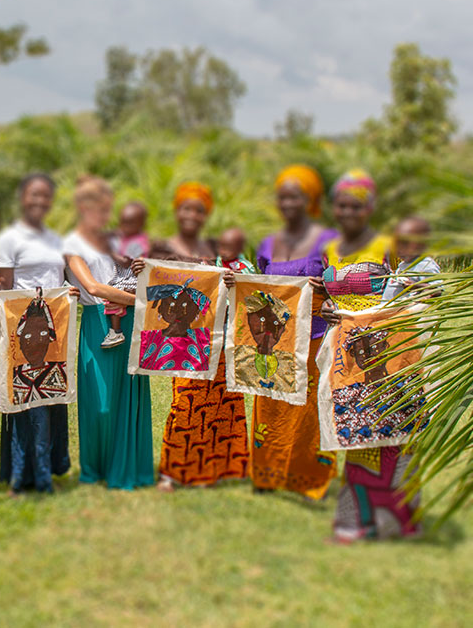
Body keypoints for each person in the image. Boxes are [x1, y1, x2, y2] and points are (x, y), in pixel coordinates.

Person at [320, 170, 421, 542]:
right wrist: (332, 308)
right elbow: (334, 293)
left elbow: (408, 294)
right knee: (357, 432)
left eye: (356, 206)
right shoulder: (330, 248)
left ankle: (401, 520)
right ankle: (356, 521)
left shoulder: (386, 245)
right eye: (342, 205)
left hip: (385, 352)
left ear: (370, 207)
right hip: (346, 352)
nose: (348, 212)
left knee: (393, 433)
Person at [146, 182, 248, 491]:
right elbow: (153, 287)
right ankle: (175, 469)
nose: (192, 215)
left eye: (199, 210)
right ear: (177, 211)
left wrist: (234, 279)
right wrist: (143, 268)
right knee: (186, 401)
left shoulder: (214, 248)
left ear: (206, 215)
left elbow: (242, 280)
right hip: (183, 338)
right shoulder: (163, 246)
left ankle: (214, 468)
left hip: (219, 335)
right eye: (186, 208)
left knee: (220, 402)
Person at [251, 165, 338, 499]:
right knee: (271, 403)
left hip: (314, 334)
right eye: (283, 197)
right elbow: (258, 287)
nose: (288, 203)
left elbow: (343, 282)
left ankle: (306, 477)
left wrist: (328, 290)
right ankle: (267, 473)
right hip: (273, 341)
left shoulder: (327, 240)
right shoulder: (267, 244)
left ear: (311, 199)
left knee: (308, 408)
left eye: (296, 197)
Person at [62, 176, 153, 489]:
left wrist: (143, 276)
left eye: (106, 209)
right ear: (82, 208)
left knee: (125, 400)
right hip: (97, 322)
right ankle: (95, 466)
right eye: (97, 209)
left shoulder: (116, 240)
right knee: (99, 404)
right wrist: (143, 303)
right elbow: (92, 287)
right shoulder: (71, 245)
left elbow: (138, 269)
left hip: (127, 322)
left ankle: (127, 467)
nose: (103, 215)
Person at [0, 173, 73, 494]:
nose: (39, 201)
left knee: (51, 399)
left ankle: (47, 469)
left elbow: (62, 279)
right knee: (26, 403)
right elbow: (5, 286)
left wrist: (70, 293)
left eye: (45, 196)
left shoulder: (58, 240)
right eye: (32, 195)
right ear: (22, 197)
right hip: (23, 332)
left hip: (55, 331)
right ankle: (23, 478)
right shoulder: (9, 239)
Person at [102, 202, 149, 347]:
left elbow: (125, 262)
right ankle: (116, 331)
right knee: (115, 300)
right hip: (125, 279)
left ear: (140, 224)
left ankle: (116, 331)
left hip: (130, 279)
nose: (124, 227)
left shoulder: (138, 242)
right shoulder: (127, 238)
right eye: (122, 223)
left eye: (129, 223)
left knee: (113, 298)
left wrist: (110, 251)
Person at [381, 216, 441, 302]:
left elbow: (437, 290)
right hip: (388, 310)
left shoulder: (425, 264)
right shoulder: (404, 264)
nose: (399, 249)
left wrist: (416, 286)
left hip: (404, 311)